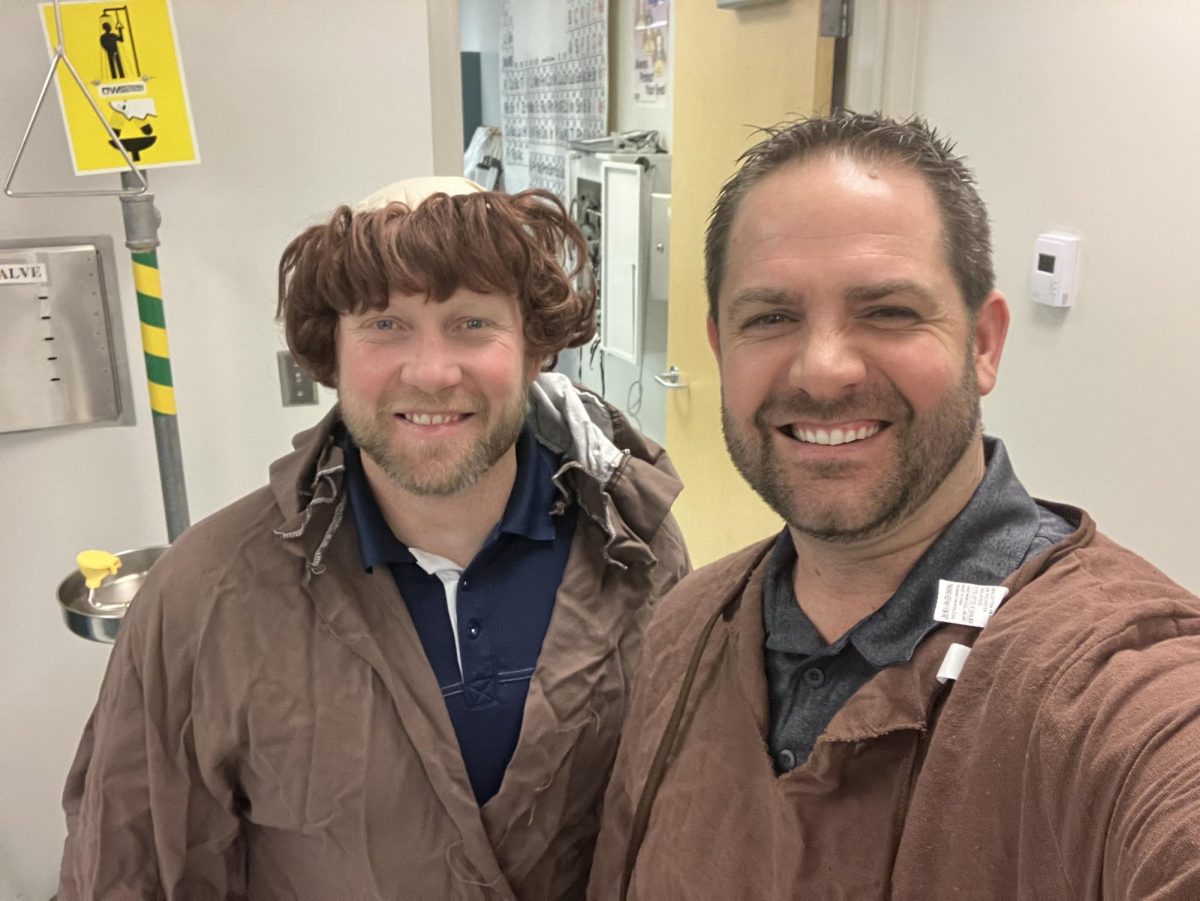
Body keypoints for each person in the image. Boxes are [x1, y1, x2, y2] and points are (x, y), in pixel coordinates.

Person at [589, 112, 1200, 899]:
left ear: (984, 342)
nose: (823, 370)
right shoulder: (686, 628)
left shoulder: (1108, 686)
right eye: (771, 317)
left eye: (888, 311)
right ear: (719, 347)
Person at [59, 176, 690, 899]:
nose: (430, 371)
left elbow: (681, 816)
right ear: (329, 350)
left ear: (534, 346)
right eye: (385, 325)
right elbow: (134, 860)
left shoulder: (636, 552)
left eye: (472, 322)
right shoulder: (203, 598)